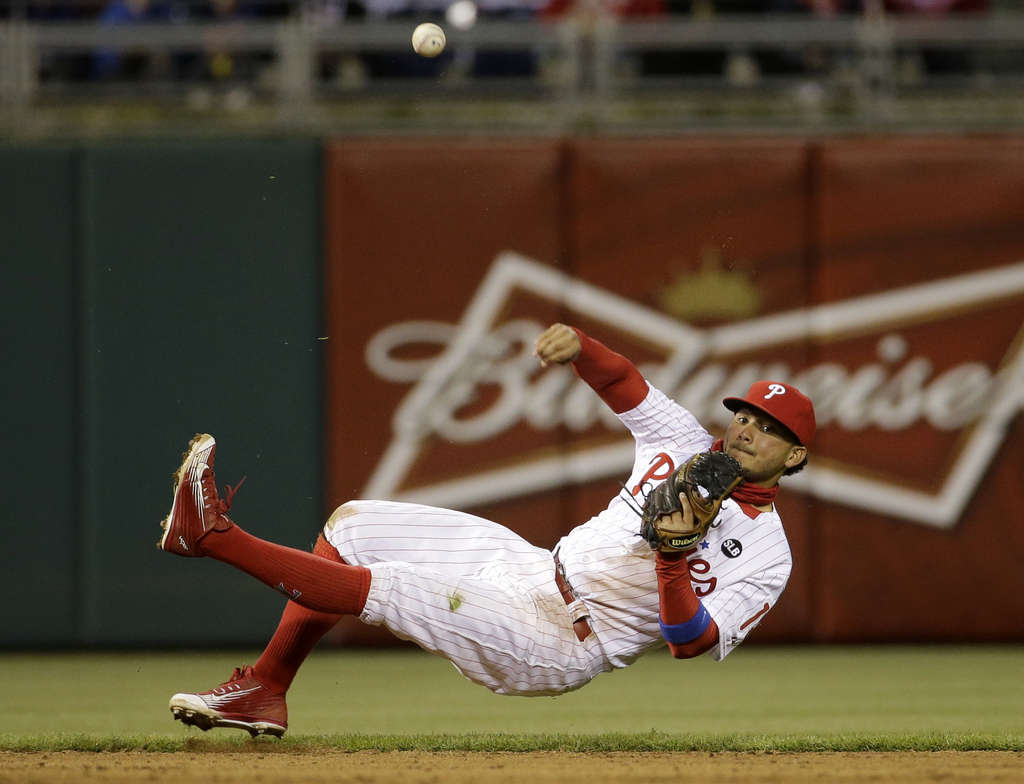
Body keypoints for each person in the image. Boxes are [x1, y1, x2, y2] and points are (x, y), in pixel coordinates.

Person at [160, 322, 815, 737]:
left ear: (796, 457)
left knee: (385, 583)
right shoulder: (681, 439)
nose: (751, 429)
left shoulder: (767, 554)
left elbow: (691, 644)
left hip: (560, 640)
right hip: (533, 567)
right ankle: (265, 688)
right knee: (354, 526)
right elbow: (624, 381)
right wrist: (581, 347)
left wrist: (672, 562)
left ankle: (211, 536)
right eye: (747, 416)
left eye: (773, 429)